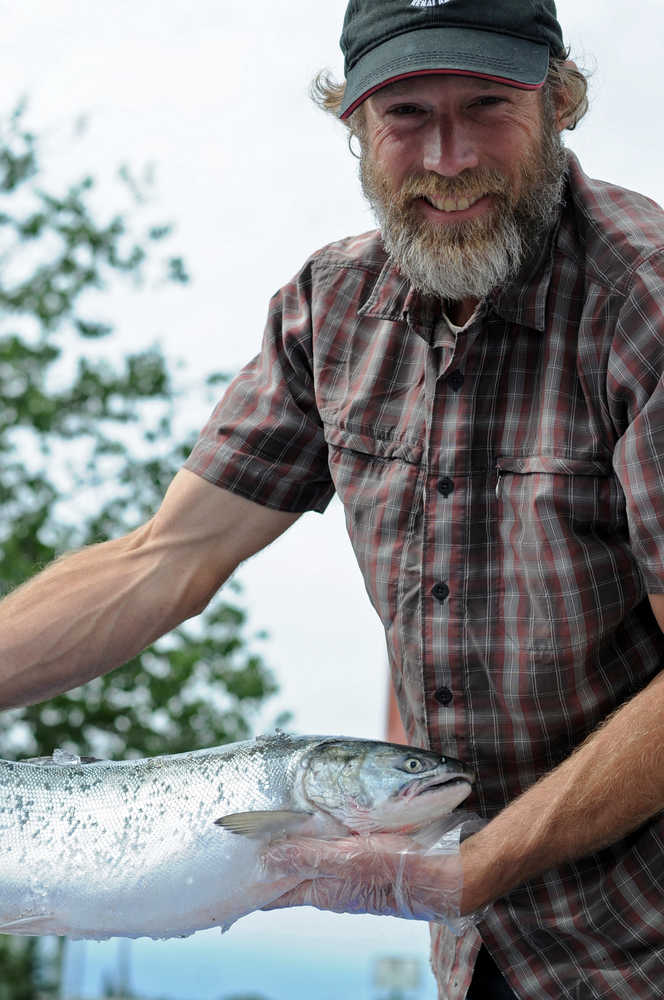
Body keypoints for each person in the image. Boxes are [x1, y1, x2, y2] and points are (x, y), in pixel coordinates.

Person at [2, 0, 664, 996]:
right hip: (478, 950)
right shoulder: (331, 310)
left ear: (558, 103)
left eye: (486, 103)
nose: (446, 157)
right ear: (350, 123)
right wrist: (455, 888)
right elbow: (161, 561)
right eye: (404, 114)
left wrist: (472, 865)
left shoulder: (643, 305)